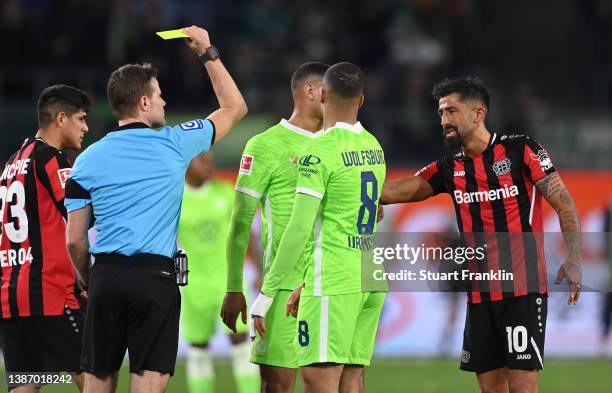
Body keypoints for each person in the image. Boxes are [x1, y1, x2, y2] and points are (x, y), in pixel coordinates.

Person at [64, 26, 247, 393]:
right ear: (144, 103)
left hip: (106, 279)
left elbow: (75, 241)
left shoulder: (85, 162)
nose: (164, 103)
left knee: (97, 384)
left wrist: (87, 282)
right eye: (159, 96)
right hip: (154, 280)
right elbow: (234, 107)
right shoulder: (175, 143)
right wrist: (207, 50)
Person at [381, 76, 582, 393]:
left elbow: (564, 204)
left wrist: (573, 258)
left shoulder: (520, 150)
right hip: (480, 294)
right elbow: (394, 191)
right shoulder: (449, 168)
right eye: (441, 113)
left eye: (452, 111)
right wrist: (365, 194)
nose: (445, 120)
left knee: (523, 387)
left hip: (522, 291)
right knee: (490, 388)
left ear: (478, 114)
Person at [249, 62, 387, 393]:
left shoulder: (318, 151)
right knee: (351, 383)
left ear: (322, 94)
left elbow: (299, 229)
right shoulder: (374, 146)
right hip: (370, 274)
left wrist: (267, 293)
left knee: (319, 383)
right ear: (362, 101)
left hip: (334, 279)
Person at [220, 61, 329, 393]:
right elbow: (240, 222)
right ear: (311, 91)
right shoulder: (265, 145)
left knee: (340, 383)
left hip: (332, 283)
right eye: (331, 90)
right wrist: (234, 286)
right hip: (283, 284)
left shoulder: (340, 142)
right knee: (278, 385)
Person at [0, 84, 91, 392]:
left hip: (12, 298)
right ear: (61, 118)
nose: (86, 127)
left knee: (26, 385)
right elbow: (77, 215)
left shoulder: (11, 164)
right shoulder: (51, 159)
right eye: (81, 119)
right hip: (50, 293)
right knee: (93, 375)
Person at [178, 152, 259, 393]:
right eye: (202, 160)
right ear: (186, 164)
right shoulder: (176, 200)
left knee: (241, 342)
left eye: (211, 159)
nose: (209, 164)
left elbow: (247, 233)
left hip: (229, 282)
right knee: (198, 348)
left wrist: (259, 269)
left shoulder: (225, 193)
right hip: (194, 286)